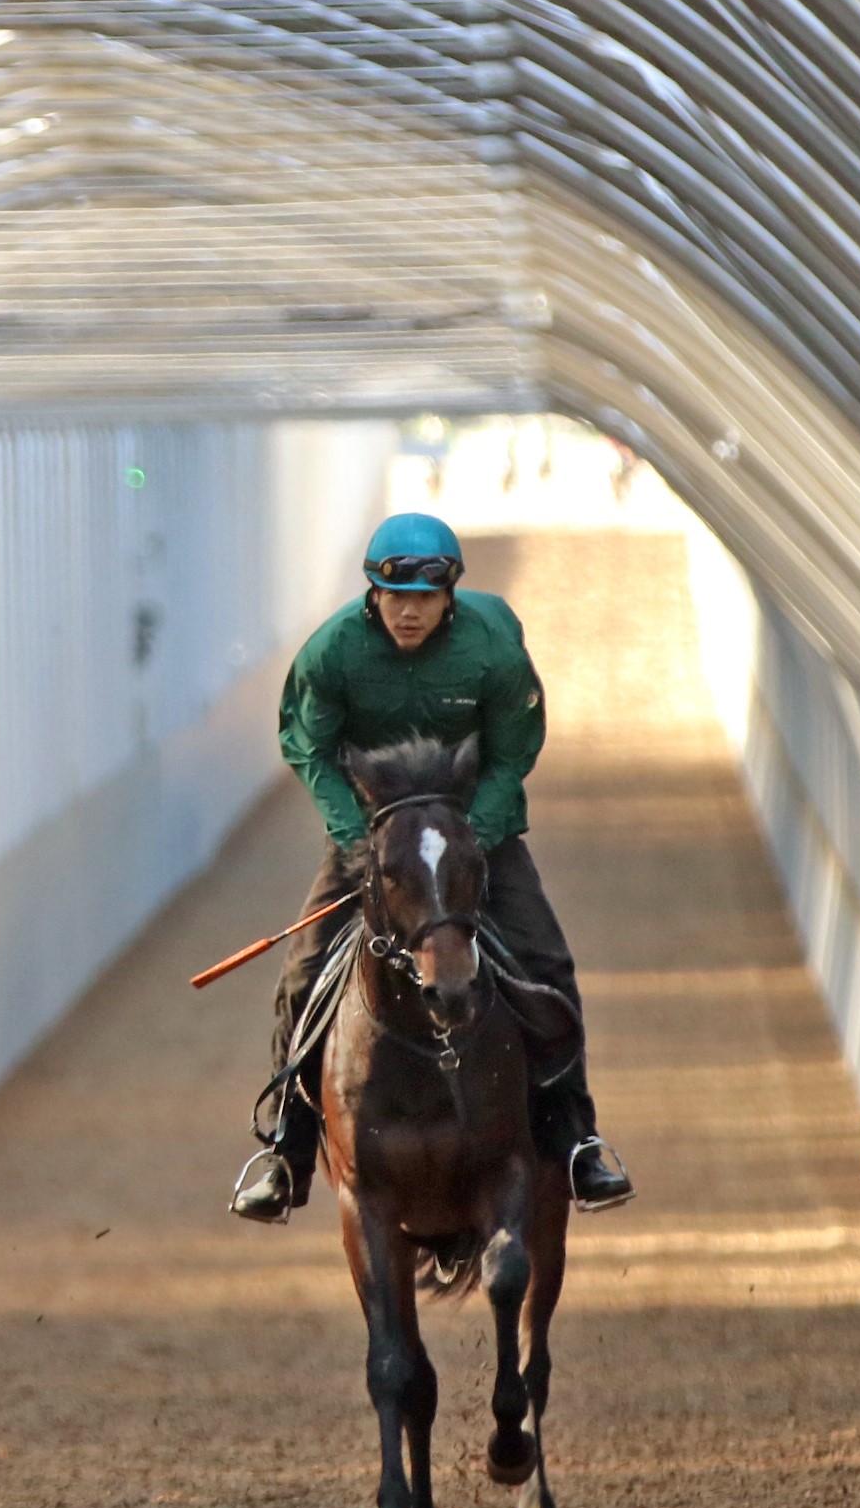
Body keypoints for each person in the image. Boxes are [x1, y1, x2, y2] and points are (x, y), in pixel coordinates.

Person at [230, 511, 636, 1222]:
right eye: (394, 598)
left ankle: (578, 1138)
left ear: (450, 595)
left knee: (548, 962)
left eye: (423, 599)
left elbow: (514, 751)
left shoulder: (493, 648)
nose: (408, 612)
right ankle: (286, 1153)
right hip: (374, 839)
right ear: (372, 595)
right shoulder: (331, 653)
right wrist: (355, 836)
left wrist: (474, 835)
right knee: (301, 974)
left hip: (477, 834)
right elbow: (307, 749)